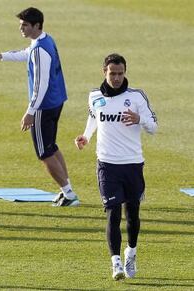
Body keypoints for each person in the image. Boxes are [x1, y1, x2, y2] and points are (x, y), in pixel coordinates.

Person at [75, 53, 157, 280]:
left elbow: (154, 126)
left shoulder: (137, 97)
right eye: (113, 73)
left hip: (132, 164)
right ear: (104, 72)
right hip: (107, 164)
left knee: (132, 215)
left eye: (121, 73)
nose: (117, 78)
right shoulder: (94, 96)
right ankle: (116, 263)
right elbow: (93, 118)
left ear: (125, 72)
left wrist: (139, 119)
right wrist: (86, 136)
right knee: (112, 212)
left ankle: (131, 252)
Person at [0, 7, 79, 206]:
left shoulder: (39, 50)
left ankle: (69, 194)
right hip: (55, 101)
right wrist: (1, 55)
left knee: (44, 153)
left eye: (25, 25)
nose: (21, 28)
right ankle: (66, 188)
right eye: (21, 25)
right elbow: (26, 53)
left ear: (37, 25)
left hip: (43, 107)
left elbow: (39, 85)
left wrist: (30, 112)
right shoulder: (45, 40)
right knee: (51, 147)